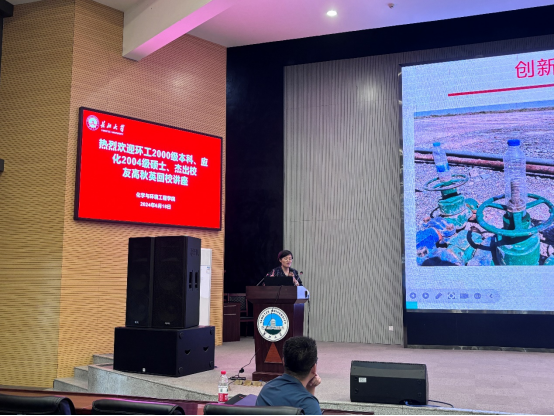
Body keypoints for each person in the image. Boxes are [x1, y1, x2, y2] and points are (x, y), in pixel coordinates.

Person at [256, 336, 322, 415]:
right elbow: (307, 406)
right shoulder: (309, 404)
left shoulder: (267, 389)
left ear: (283, 362)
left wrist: (310, 387)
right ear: (314, 368)